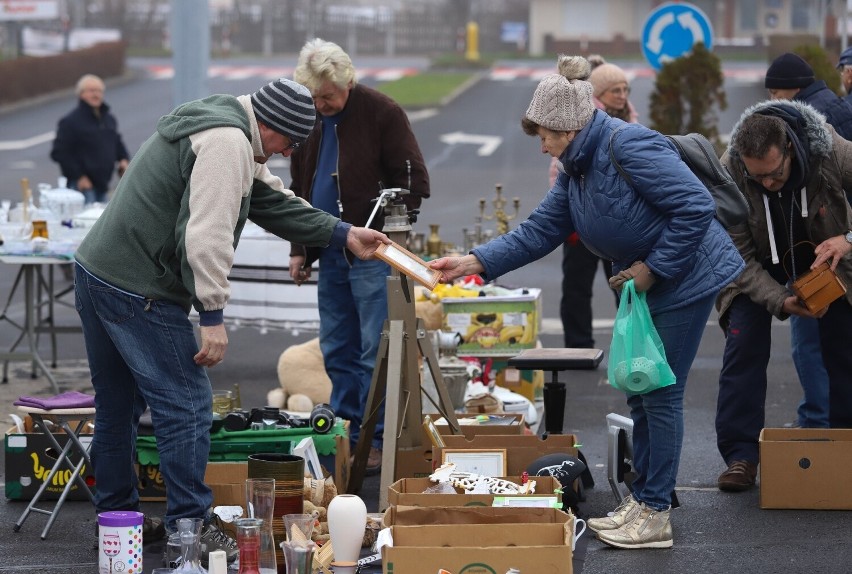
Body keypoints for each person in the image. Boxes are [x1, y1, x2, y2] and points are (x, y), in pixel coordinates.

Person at [430, 55, 744, 549]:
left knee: (659, 393)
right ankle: (643, 500)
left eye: (546, 136)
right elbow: (538, 232)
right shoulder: (576, 167)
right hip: (650, 285)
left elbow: (695, 207)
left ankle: (656, 512)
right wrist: (473, 262)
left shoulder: (629, 145)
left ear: (570, 126)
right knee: (641, 390)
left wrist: (652, 268)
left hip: (685, 278)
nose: (542, 147)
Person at [73, 77, 389, 562]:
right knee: (187, 405)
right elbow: (207, 235)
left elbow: (269, 201)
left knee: (117, 408)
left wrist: (343, 233)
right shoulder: (227, 144)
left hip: (99, 270)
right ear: (269, 125)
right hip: (140, 287)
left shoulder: (224, 124)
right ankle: (191, 529)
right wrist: (213, 315)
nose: (285, 153)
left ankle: (118, 522)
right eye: (288, 142)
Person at [289, 38, 430, 474]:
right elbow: (298, 187)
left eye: (328, 96)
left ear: (348, 81)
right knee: (337, 348)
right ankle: (347, 436)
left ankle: (376, 439)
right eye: (314, 97)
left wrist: (390, 235)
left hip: (372, 254)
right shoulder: (310, 116)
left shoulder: (382, 113)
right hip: (331, 250)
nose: (321, 104)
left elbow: (413, 179)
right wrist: (299, 248)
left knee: (375, 350)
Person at [715, 99, 852, 492]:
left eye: (774, 175)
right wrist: (779, 300)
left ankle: (845, 445)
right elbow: (736, 256)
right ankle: (741, 457)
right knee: (743, 350)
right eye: (757, 178)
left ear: (791, 149)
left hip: (826, 253)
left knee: (843, 347)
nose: (767, 184)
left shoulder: (832, 151)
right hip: (756, 260)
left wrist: (846, 240)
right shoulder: (732, 170)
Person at [764, 52, 852, 429]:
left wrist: (846, 235)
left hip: (826, 254)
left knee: (816, 346)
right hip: (826, 249)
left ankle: (820, 426)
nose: (772, 100)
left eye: (776, 91)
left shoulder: (823, 125)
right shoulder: (831, 107)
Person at [553, 56, 635, 348]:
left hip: (620, 224)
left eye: (626, 89)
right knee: (577, 287)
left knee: (627, 288)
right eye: (616, 90)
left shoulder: (633, 125)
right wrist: (570, 214)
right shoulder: (580, 125)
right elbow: (559, 174)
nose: (622, 95)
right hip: (581, 224)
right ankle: (578, 347)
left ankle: (632, 346)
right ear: (598, 94)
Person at [50, 74, 130, 204]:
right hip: (81, 188)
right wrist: (79, 176)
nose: (96, 94)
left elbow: (116, 141)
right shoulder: (70, 121)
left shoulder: (108, 119)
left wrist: (123, 159)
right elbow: (59, 152)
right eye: (92, 90)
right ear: (81, 94)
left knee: (101, 222)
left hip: (103, 185)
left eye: (99, 91)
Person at [764, 52, 852, 140]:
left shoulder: (806, 119)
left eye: (774, 92)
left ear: (795, 86)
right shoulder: (834, 100)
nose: (772, 99)